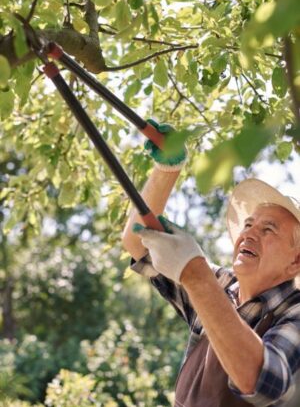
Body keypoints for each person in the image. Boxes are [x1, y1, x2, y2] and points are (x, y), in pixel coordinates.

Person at [122, 125, 300, 407]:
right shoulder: (221, 285)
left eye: (269, 229)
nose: (249, 233)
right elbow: (138, 244)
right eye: (249, 224)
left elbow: (263, 380)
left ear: (296, 262)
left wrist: (196, 275)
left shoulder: (295, 312)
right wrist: (166, 172)